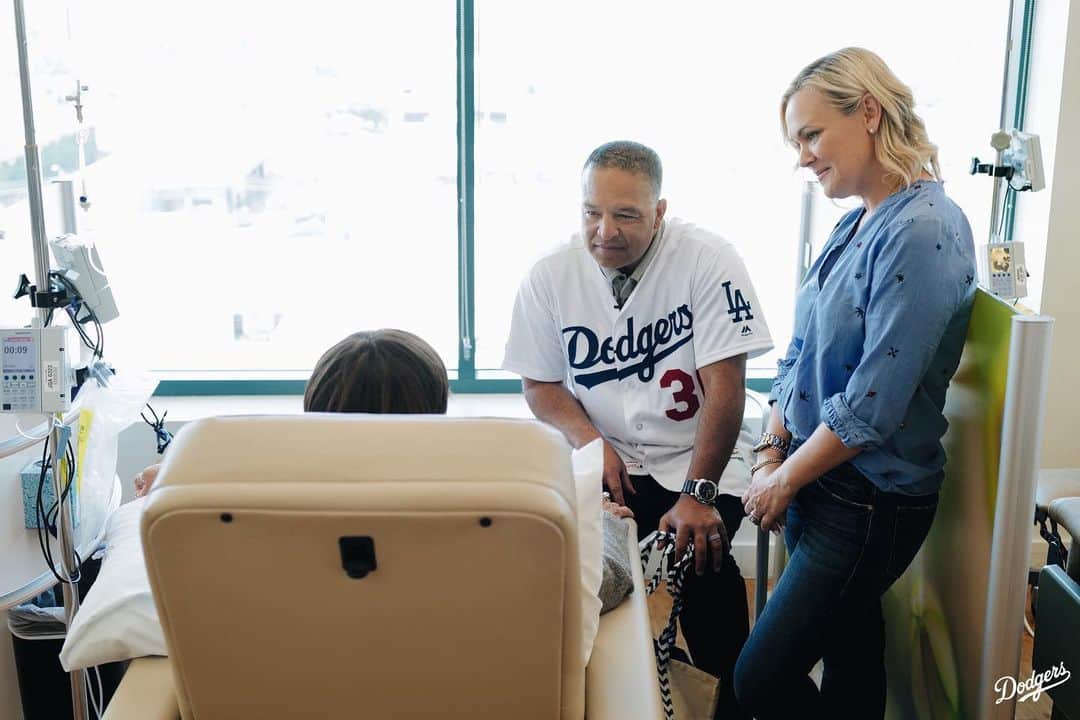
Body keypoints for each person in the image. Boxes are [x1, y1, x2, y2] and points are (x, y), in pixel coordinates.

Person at [732, 48, 977, 719]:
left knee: (760, 679)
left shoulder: (926, 230)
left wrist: (782, 479)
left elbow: (874, 404)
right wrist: (770, 450)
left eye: (811, 135)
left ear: (868, 112)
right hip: (820, 479)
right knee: (852, 652)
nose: (803, 157)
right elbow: (802, 353)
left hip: (868, 499)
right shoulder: (854, 224)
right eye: (795, 142)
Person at [503, 140, 773, 719]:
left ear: (660, 211)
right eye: (591, 212)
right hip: (607, 460)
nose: (605, 230)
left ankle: (731, 695)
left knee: (701, 561)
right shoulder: (550, 273)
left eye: (626, 214)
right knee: (591, 585)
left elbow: (725, 388)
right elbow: (540, 385)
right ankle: (614, 697)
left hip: (699, 457)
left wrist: (697, 495)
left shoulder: (708, 258)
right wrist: (590, 443)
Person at [133, 328, 636, 612]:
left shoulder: (250, 501)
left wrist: (177, 477)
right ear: (433, 410)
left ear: (316, 405)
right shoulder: (496, 499)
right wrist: (608, 524)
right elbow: (603, 584)